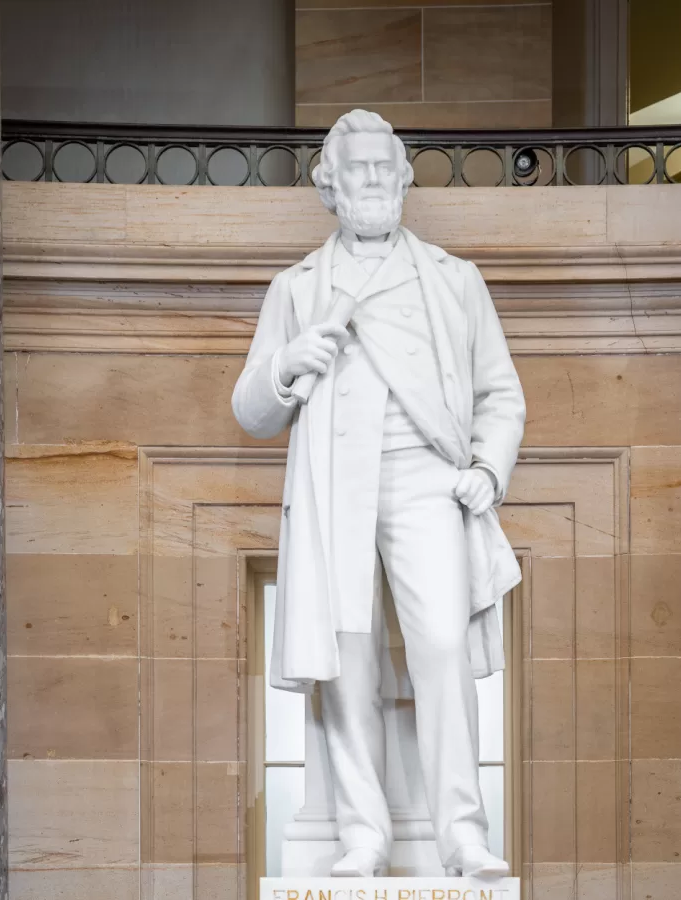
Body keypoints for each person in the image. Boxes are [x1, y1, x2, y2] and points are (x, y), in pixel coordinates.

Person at [233, 109, 525, 878]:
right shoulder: (297, 289)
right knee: (348, 658)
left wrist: (488, 470)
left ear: (401, 178)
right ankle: (363, 833)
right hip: (335, 484)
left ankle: (462, 833)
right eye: (355, 168)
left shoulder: (455, 280)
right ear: (330, 185)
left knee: (440, 650)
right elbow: (251, 412)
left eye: (382, 167)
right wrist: (288, 362)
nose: (370, 180)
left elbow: (502, 395)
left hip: (428, 479)